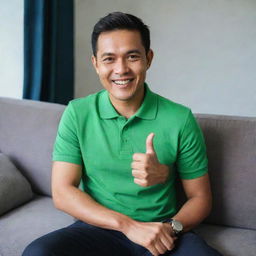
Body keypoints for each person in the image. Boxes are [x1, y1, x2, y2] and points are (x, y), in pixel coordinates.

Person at [22, 12, 222, 256]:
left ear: (148, 59)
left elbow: (200, 198)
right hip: (98, 228)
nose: (121, 69)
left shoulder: (180, 118)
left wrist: (169, 229)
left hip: (161, 231)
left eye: (132, 56)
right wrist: (128, 226)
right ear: (96, 64)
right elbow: (63, 192)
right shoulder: (77, 113)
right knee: (38, 253)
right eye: (109, 59)